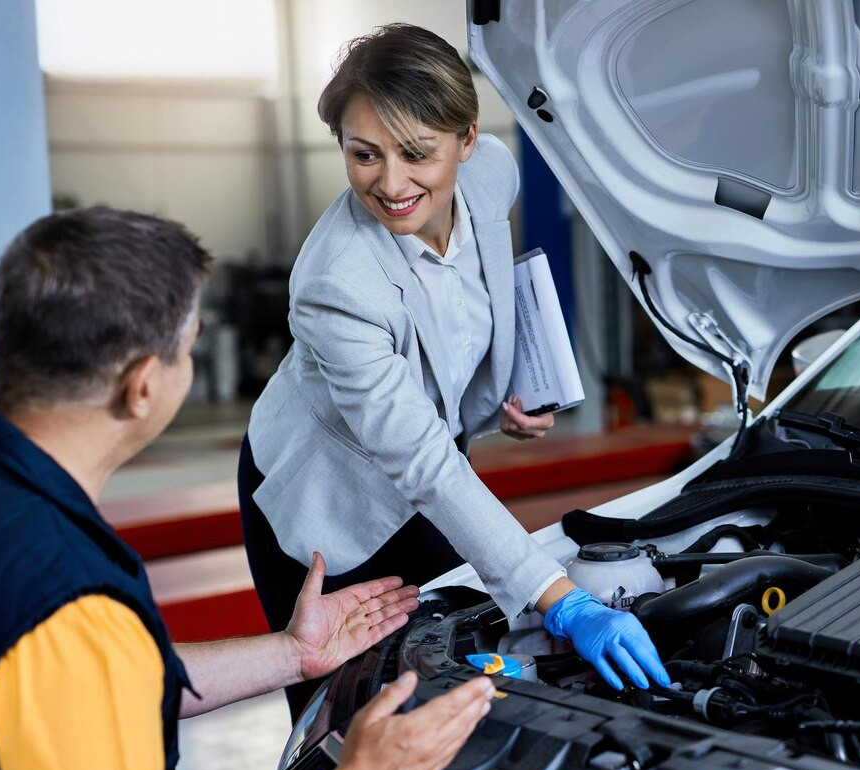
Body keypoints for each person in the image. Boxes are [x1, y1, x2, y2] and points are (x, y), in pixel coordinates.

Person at [0, 207, 494, 770]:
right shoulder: (63, 603)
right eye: (188, 349)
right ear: (143, 385)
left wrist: (289, 653)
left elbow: (79, 690)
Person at [240, 24, 670, 715]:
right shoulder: (335, 285)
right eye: (363, 155)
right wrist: (567, 603)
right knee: (349, 706)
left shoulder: (493, 172)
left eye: (417, 152)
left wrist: (492, 397)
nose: (391, 182)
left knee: (457, 667)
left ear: (467, 140)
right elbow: (424, 462)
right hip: (327, 489)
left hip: (425, 461)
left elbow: (454, 318)